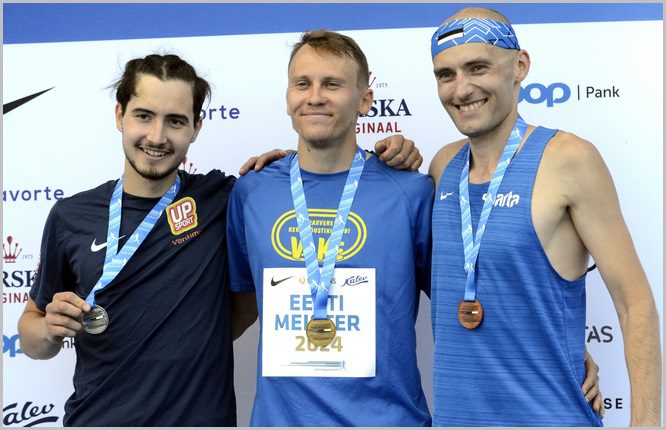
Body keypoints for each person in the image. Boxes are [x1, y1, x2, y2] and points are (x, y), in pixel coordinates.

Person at [16, 53, 420, 426]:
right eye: (144, 116)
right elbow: (32, 335)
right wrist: (49, 330)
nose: (157, 136)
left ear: (196, 127)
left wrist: (386, 152)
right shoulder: (71, 216)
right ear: (120, 115)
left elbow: (308, 178)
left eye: (175, 121)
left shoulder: (227, 198)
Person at [427, 7, 661, 426]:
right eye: (446, 74)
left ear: (520, 66)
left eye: (477, 67)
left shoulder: (568, 158)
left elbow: (634, 303)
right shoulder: (443, 166)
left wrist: (645, 422)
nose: (461, 89)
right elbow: (452, 281)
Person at [226, 30, 434, 426]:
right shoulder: (250, 191)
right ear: (288, 96)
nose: (315, 96)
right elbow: (238, 309)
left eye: (332, 84)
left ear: (365, 100)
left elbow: (456, 308)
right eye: (302, 83)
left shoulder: (412, 192)